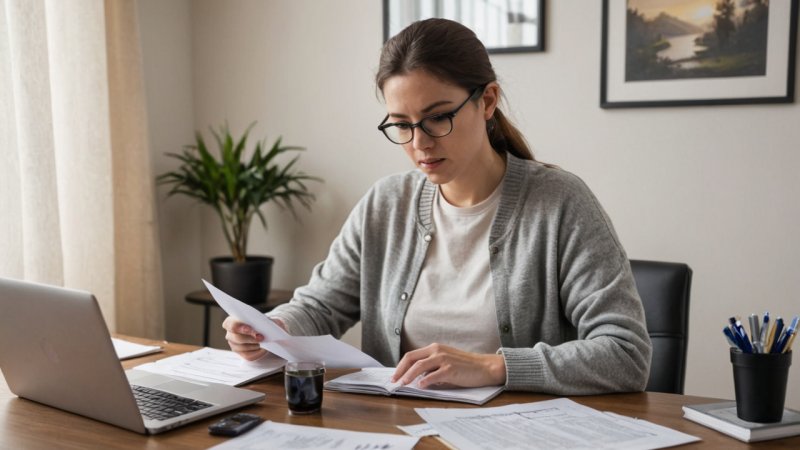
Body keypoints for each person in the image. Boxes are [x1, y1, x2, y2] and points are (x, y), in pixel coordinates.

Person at [223, 18, 652, 395]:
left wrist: (491, 367)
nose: (420, 143)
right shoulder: (385, 204)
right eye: (402, 125)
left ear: (486, 102)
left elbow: (625, 354)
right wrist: (273, 329)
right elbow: (320, 306)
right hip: (399, 430)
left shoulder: (560, 203)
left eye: (437, 117)